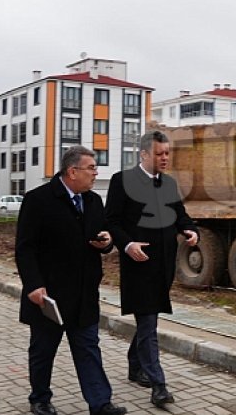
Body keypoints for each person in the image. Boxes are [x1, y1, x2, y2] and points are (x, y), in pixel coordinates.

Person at [16, 146, 127, 415]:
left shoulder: (92, 201)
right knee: (43, 351)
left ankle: (100, 403)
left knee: (89, 349)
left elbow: (103, 237)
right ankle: (40, 399)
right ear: (72, 171)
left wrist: (106, 242)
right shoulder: (38, 200)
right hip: (49, 295)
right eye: (91, 168)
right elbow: (25, 248)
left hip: (83, 294)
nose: (95, 173)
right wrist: (33, 284)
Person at [105, 130, 199, 409]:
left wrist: (190, 231)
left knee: (149, 319)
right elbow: (111, 221)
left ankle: (135, 366)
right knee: (148, 322)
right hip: (138, 264)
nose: (165, 158)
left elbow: (181, 215)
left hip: (164, 265)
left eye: (168, 153)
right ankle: (159, 386)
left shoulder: (168, 184)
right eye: (160, 153)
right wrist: (127, 244)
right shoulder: (122, 181)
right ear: (144, 154)